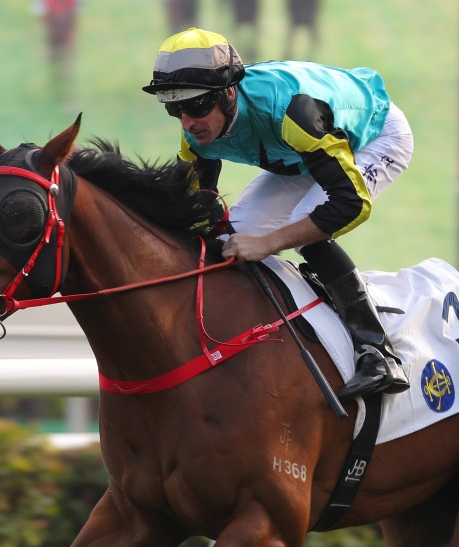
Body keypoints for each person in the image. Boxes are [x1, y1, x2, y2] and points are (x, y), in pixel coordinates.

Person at [141, 27, 412, 400]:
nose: (188, 122)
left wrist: (269, 242)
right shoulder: (193, 133)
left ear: (229, 92)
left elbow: (350, 204)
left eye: (198, 106)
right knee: (227, 239)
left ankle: (377, 352)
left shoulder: (293, 111)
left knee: (307, 227)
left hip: (374, 135)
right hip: (301, 155)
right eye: (176, 108)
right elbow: (197, 206)